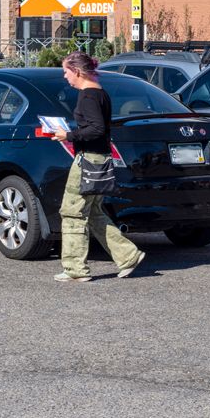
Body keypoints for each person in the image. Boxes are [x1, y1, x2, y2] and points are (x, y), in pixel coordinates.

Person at [46, 52, 144, 283]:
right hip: (100, 158)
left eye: (66, 71)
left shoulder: (87, 97)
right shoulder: (100, 94)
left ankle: (75, 269)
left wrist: (68, 135)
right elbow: (98, 127)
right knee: (94, 213)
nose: (65, 76)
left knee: (72, 212)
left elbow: (96, 129)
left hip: (88, 160)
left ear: (77, 72)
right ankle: (128, 256)